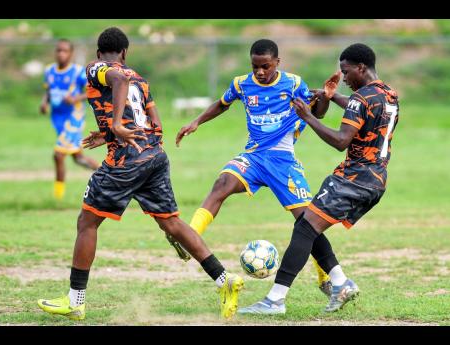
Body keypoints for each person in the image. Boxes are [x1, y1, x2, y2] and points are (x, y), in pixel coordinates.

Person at [37, 27, 244, 321]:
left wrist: (117, 128)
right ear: (125, 52)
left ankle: (75, 300)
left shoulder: (96, 68)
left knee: (87, 222)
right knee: (171, 223)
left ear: (100, 54)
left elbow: (117, 80)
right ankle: (225, 281)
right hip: (154, 155)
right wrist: (110, 132)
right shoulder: (141, 80)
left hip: (125, 161)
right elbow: (154, 123)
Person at [175, 39, 344, 297]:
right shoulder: (242, 83)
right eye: (255, 67)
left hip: (282, 160)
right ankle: (188, 238)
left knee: (307, 222)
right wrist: (197, 121)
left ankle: (324, 275)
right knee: (221, 184)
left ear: (278, 62)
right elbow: (222, 103)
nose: (260, 72)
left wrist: (326, 97)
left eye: (265, 66)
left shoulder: (294, 84)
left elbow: (318, 113)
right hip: (253, 157)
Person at [239, 43, 399, 314]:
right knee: (309, 225)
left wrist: (308, 116)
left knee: (304, 228)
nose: (344, 77)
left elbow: (340, 141)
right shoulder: (388, 94)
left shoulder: (361, 100)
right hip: (376, 180)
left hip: (353, 179)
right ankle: (339, 283)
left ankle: (275, 300)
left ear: (361, 68)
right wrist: (332, 97)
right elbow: (360, 109)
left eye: (346, 72)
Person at [41, 39, 99, 200]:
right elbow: (48, 90)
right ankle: (108, 175)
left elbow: (91, 91)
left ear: (71, 53)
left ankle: (57, 198)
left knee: (58, 155)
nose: (61, 54)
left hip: (74, 118)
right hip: (58, 118)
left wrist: (76, 98)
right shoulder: (49, 71)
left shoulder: (77, 72)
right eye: (58, 50)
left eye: (65, 51)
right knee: (79, 159)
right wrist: (44, 103)